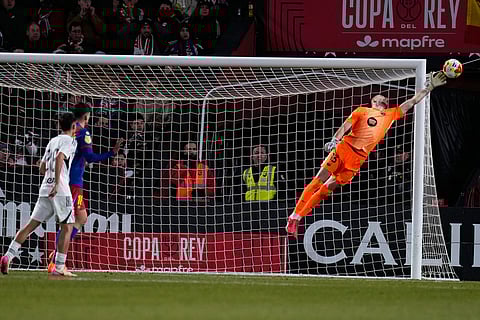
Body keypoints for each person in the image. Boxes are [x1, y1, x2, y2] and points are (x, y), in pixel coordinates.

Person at [285, 72, 447, 238]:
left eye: (383, 99)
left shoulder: (390, 114)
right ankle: (294, 216)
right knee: (317, 181)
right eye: (377, 99)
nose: (380, 100)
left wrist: (430, 87)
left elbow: (412, 102)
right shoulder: (362, 111)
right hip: (344, 149)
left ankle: (298, 218)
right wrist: (335, 140)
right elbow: (345, 126)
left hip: (357, 160)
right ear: (373, 102)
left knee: (326, 190)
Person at [47, 103, 123, 272]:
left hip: (73, 182)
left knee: (81, 218)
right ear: (86, 116)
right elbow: (89, 157)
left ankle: (56, 256)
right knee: (70, 221)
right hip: (74, 183)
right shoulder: (84, 132)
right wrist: (112, 152)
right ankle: (56, 259)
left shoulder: (69, 132)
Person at [1, 112, 78, 276]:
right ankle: (59, 267)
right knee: (68, 226)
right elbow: (59, 158)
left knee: (30, 226)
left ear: (59, 125)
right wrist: (57, 183)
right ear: (73, 127)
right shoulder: (71, 141)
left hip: (45, 188)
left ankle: (8, 256)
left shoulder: (52, 141)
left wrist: (50, 179)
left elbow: (42, 166)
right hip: (60, 189)